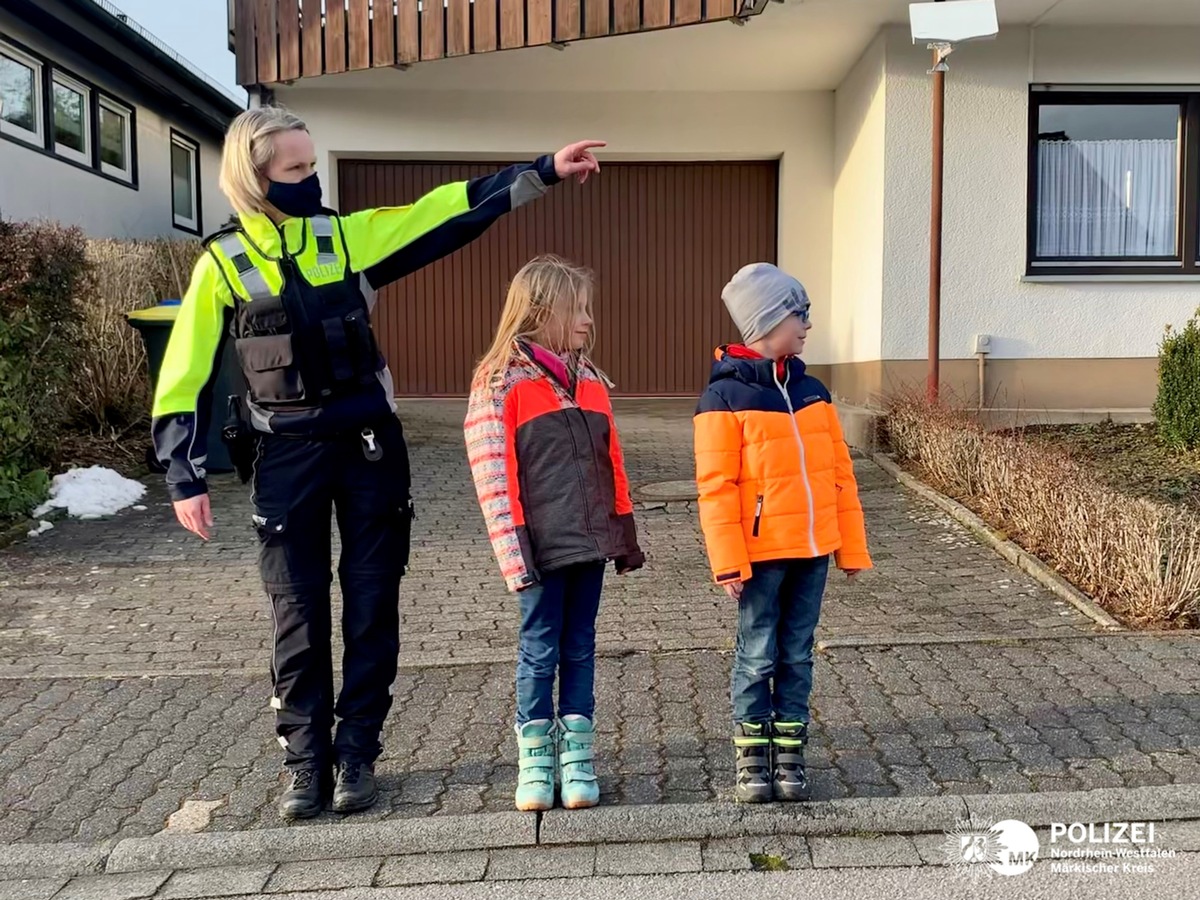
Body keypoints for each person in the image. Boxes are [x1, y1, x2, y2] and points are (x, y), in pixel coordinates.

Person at [151, 105, 606, 820]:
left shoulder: (346, 237)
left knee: (370, 607)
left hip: (369, 452)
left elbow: (443, 214)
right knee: (296, 614)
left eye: (312, 163)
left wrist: (540, 173)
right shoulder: (222, 263)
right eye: (296, 169)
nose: (311, 178)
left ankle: (357, 753)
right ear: (256, 177)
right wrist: (183, 473)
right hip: (286, 457)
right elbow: (185, 373)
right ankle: (307, 765)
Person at [464, 255, 644, 812]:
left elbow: (611, 459)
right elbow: (494, 472)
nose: (590, 320)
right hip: (539, 550)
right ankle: (536, 761)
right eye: (579, 309)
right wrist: (514, 555)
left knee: (581, 646)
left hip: (588, 545)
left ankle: (577, 758)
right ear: (543, 311)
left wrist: (623, 530)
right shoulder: (501, 382)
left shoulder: (590, 381)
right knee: (540, 650)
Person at [693, 262, 872, 803]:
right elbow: (716, 486)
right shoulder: (724, 397)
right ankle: (753, 758)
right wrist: (728, 559)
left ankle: (790, 752)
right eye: (800, 313)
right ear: (767, 321)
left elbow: (840, 473)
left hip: (813, 550)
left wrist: (851, 546)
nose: (807, 325)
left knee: (798, 652)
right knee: (756, 653)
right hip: (761, 554)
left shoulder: (814, 390)